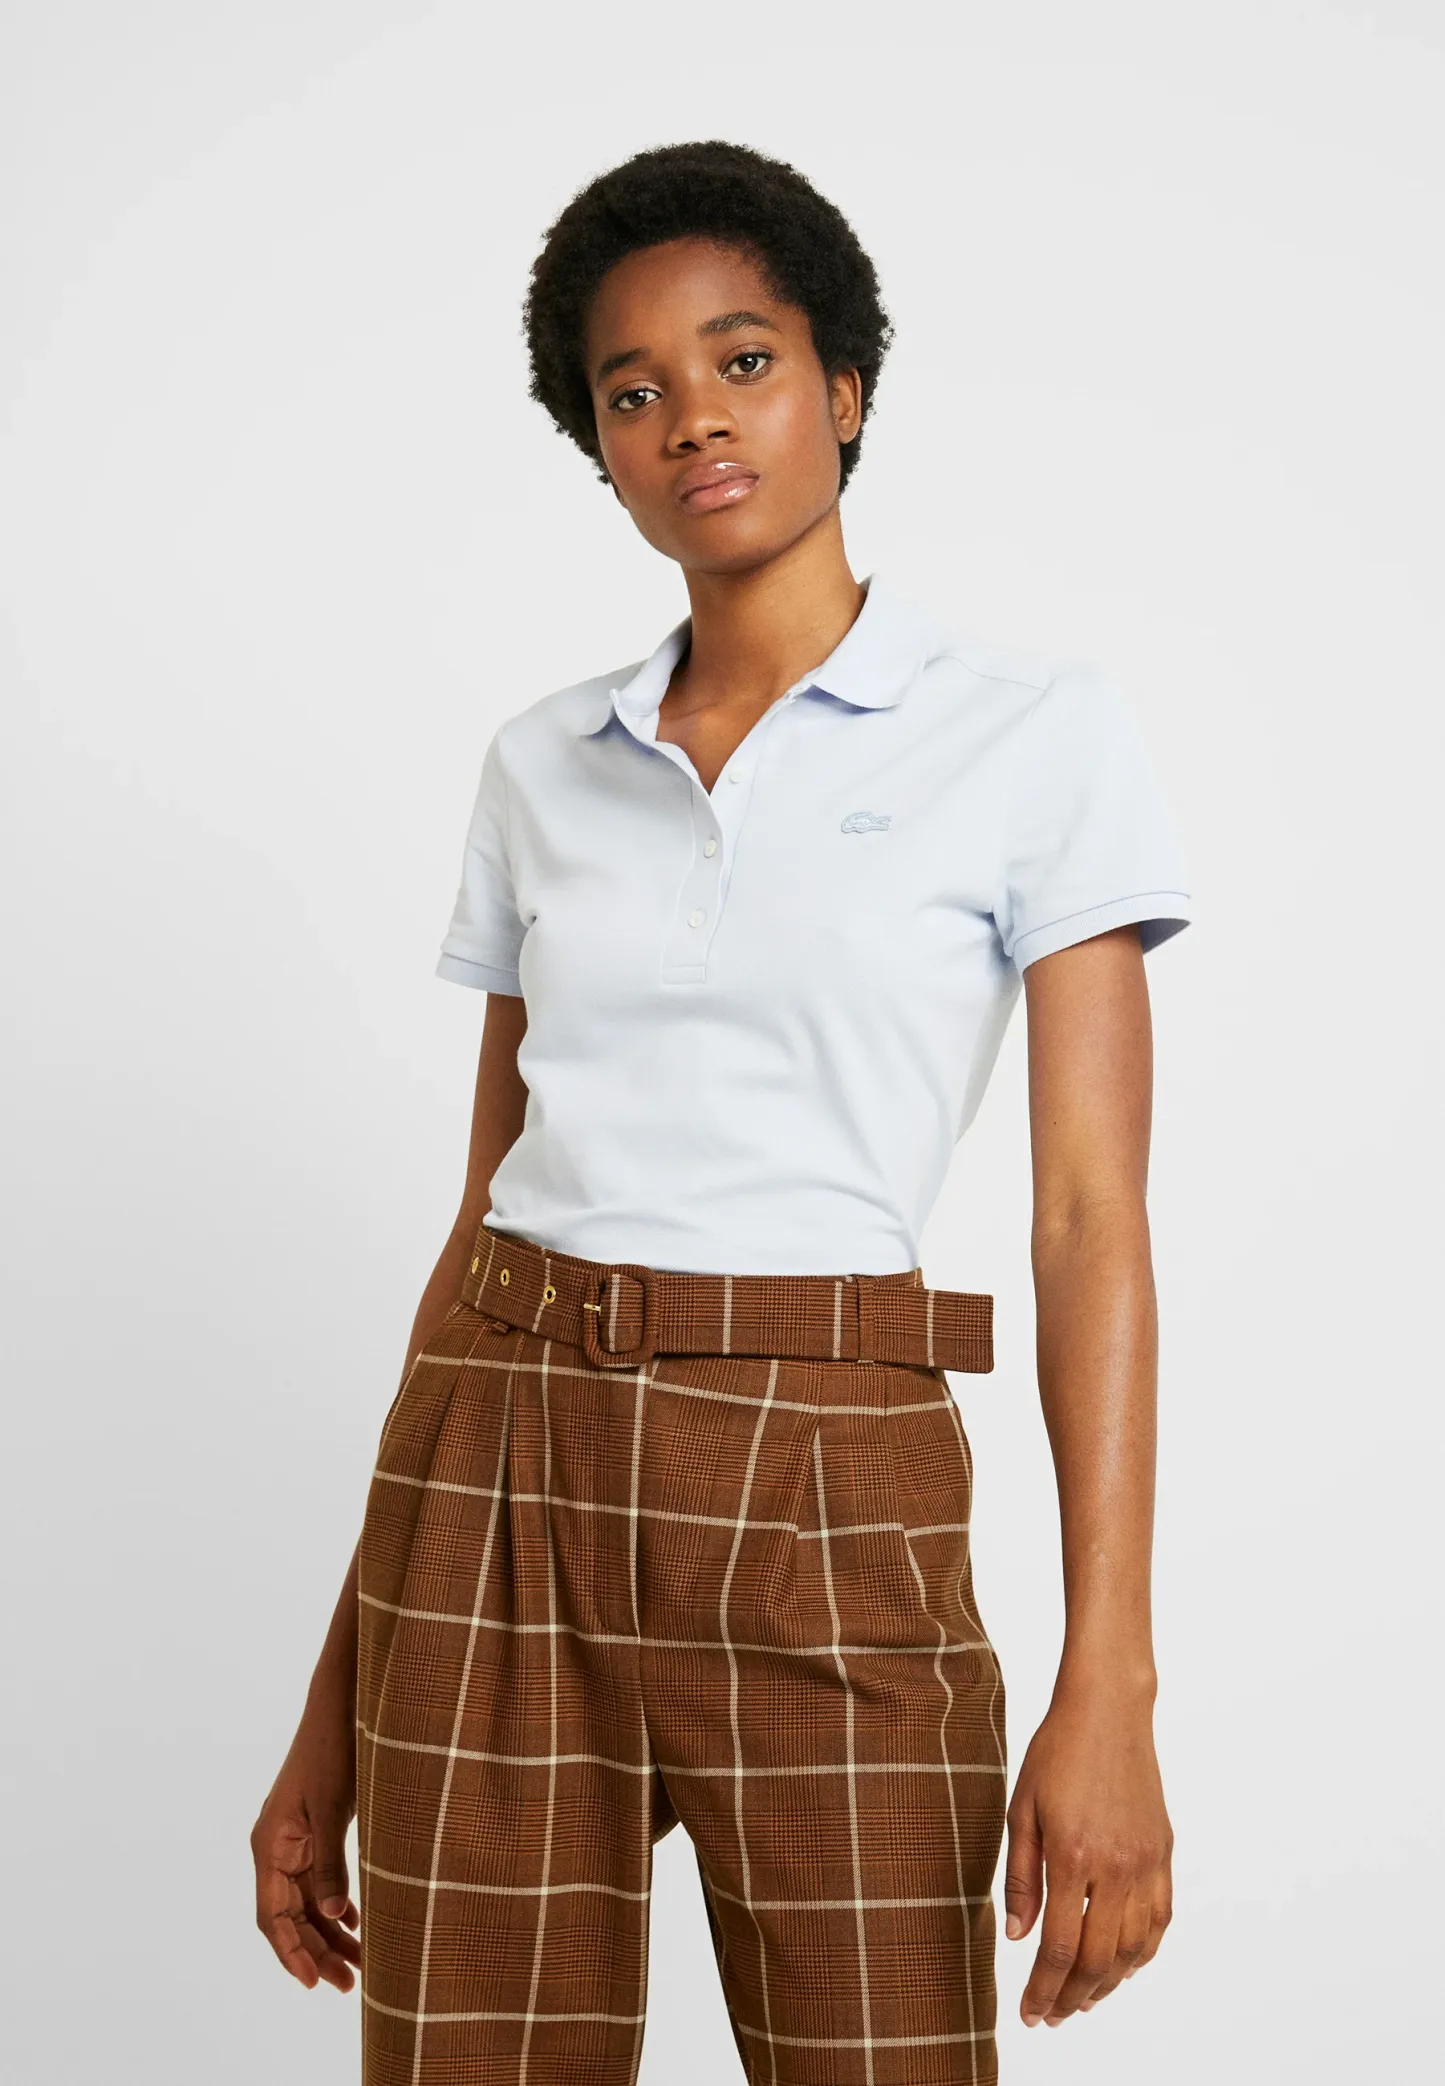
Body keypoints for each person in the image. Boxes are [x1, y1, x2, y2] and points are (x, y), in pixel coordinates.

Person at [251, 139, 1191, 2084]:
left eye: (742, 360)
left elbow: (1089, 1217)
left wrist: (1111, 1674)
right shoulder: (543, 763)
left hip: (827, 1481)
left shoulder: (1032, 735)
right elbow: (481, 1221)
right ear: (598, 450)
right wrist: (332, 1703)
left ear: (844, 387)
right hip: (497, 1472)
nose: (691, 417)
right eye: (632, 390)